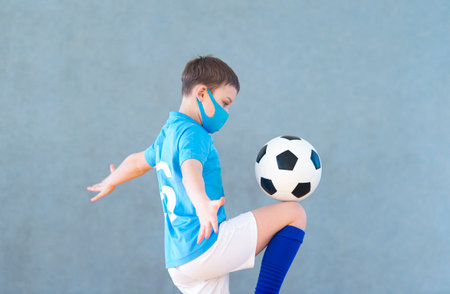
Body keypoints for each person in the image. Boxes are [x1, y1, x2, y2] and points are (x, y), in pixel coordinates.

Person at [87, 55, 307, 294]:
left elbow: (137, 162)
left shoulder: (168, 133)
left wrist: (111, 180)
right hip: (206, 246)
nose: (227, 112)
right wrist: (202, 204)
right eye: (225, 102)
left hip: (180, 261)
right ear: (202, 94)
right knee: (294, 213)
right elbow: (190, 168)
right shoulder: (195, 134)